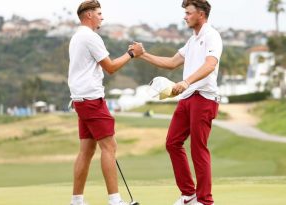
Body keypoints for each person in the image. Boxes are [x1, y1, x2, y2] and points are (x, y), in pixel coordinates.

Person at [132, 0, 222, 204]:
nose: (185, 16)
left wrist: (186, 81)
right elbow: (171, 63)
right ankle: (189, 195)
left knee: (198, 148)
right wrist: (142, 55)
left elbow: (210, 65)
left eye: (188, 13)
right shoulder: (192, 41)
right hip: (188, 97)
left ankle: (205, 200)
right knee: (173, 143)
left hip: (204, 98)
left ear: (200, 14)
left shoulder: (212, 36)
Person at [67, 1, 143, 205]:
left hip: (81, 100)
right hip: (91, 100)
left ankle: (76, 201)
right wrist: (131, 54)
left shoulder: (76, 37)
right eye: (99, 13)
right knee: (109, 146)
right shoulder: (91, 37)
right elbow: (110, 67)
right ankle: (115, 201)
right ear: (89, 15)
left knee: (87, 150)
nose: (102, 17)